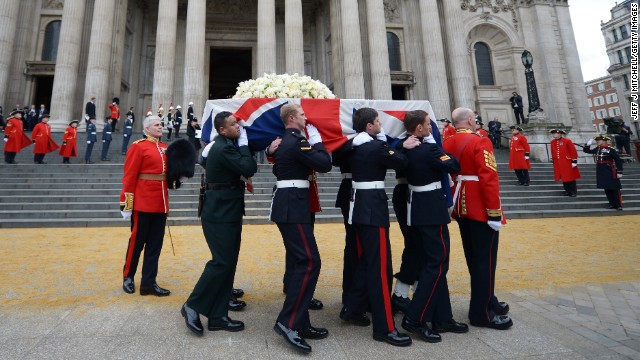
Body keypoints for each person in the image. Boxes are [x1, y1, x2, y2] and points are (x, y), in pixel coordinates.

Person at [341, 107, 418, 347]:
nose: (381, 126)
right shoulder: (378, 147)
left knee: (366, 262)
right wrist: (396, 146)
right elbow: (402, 163)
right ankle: (384, 328)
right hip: (373, 209)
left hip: (357, 207)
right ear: (369, 127)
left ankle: (352, 307)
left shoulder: (351, 146)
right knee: (378, 266)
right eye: (377, 122)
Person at [181, 111, 257, 336]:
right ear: (222, 130)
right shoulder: (224, 147)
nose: (239, 127)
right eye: (234, 125)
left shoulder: (224, 144)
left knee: (229, 262)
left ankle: (218, 316)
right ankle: (192, 304)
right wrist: (244, 143)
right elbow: (248, 168)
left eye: (238, 124)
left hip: (228, 209)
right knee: (221, 262)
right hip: (219, 213)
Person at [270, 103, 332, 353]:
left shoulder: (287, 141)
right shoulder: (297, 142)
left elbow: (277, 166)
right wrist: (317, 141)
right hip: (293, 206)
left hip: (291, 204)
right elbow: (325, 163)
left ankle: (301, 321)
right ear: (293, 118)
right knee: (309, 261)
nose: (308, 118)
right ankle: (288, 322)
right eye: (304, 115)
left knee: (300, 262)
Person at [443, 107, 512, 330]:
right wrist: (494, 211)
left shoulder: (448, 142)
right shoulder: (480, 141)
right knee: (485, 261)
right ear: (471, 120)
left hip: (461, 205)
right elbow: (488, 176)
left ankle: (489, 300)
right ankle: (481, 313)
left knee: (474, 258)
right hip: (480, 206)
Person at [401, 109, 466, 343]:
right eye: (428, 124)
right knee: (437, 264)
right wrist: (434, 144)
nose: (431, 128)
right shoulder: (429, 149)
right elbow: (454, 165)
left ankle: (442, 316)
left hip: (417, 208)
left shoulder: (403, 149)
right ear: (419, 128)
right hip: (431, 212)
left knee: (435, 264)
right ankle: (415, 317)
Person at [120, 115, 171, 297]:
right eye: (157, 125)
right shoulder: (138, 146)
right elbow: (129, 176)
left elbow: (169, 176)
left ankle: (149, 282)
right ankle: (128, 276)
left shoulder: (165, 148)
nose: (160, 127)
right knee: (137, 242)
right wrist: (126, 204)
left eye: (161, 125)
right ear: (147, 128)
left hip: (161, 202)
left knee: (155, 245)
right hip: (142, 202)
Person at [582, 135, 624, 210]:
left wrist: (619, 171)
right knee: (606, 188)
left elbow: (618, 160)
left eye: (599, 140)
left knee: (614, 188)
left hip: (609, 170)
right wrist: (587, 145)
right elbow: (587, 151)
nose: (597, 141)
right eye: (597, 140)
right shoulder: (598, 148)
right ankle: (611, 203)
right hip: (601, 170)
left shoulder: (610, 149)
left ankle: (618, 205)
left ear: (604, 141)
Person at [549, 129, 580, 197]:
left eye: (555, 133)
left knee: (570, 177)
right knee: (563, 177)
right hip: (558, 162)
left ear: (559, 134)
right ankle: (567, 191)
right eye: (553, 133)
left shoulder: (567, 141)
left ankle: (573, 192)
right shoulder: (552, 142)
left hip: (567, 162)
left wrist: (574, 161)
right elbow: (553, 152)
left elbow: (573, 151)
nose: (554, 135)